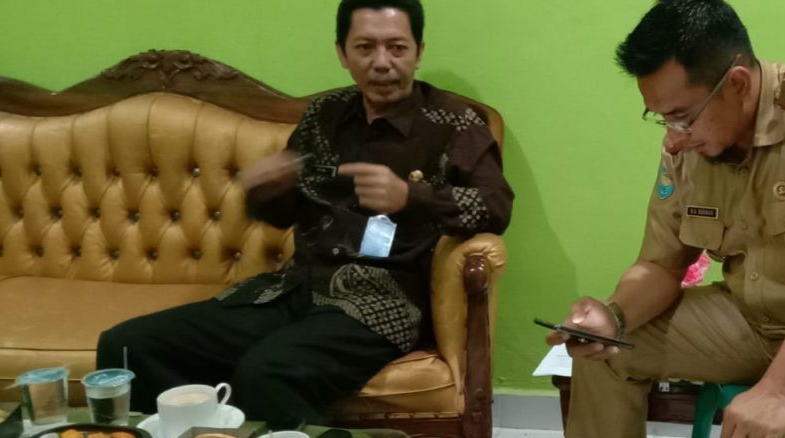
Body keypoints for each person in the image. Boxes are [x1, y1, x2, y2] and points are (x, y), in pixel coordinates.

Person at [97, 0, 513, 428]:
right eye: (365, 47)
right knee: (128, 346)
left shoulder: (453, 123)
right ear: (342, 53)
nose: (382, 62)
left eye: (397, 48)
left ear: (418, 52)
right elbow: (284, 212)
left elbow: (496, 206)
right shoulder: (324, 116)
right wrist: (266, 189)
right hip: (293, 288)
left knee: (267, 374)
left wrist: (411, 195)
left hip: (381, 303)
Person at [546, 1, 785, 437]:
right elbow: (661, 264)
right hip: (753, 322)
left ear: (737, 83)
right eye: (661, 119)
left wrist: (778, 390)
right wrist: (614, 317)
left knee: (775, 433)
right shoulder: (689, 144)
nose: (673, 139)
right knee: (606, 352)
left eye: (682, 117)